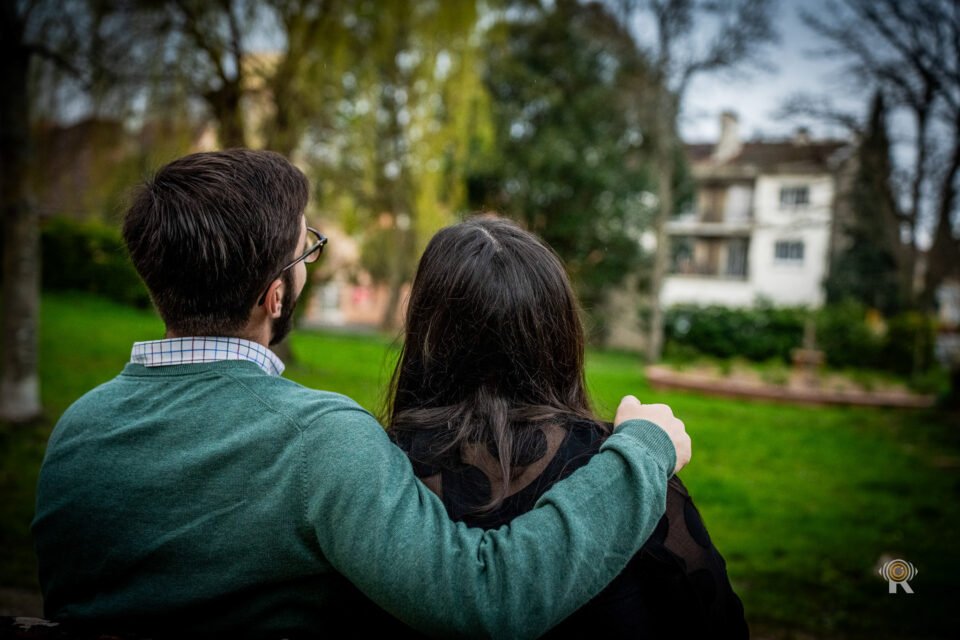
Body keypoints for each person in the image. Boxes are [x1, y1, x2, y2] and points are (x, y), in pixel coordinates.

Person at [31, 149, 691, 638]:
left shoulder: (77, 432)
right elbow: (490, 597)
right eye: (306, 251)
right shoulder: (320, 442)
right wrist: (645, 448)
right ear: (276, 294)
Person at [388, 217, 747, 638]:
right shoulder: (632, 472)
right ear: (559, 334)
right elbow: (719, 623)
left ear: (427, 329)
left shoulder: (376, 474)